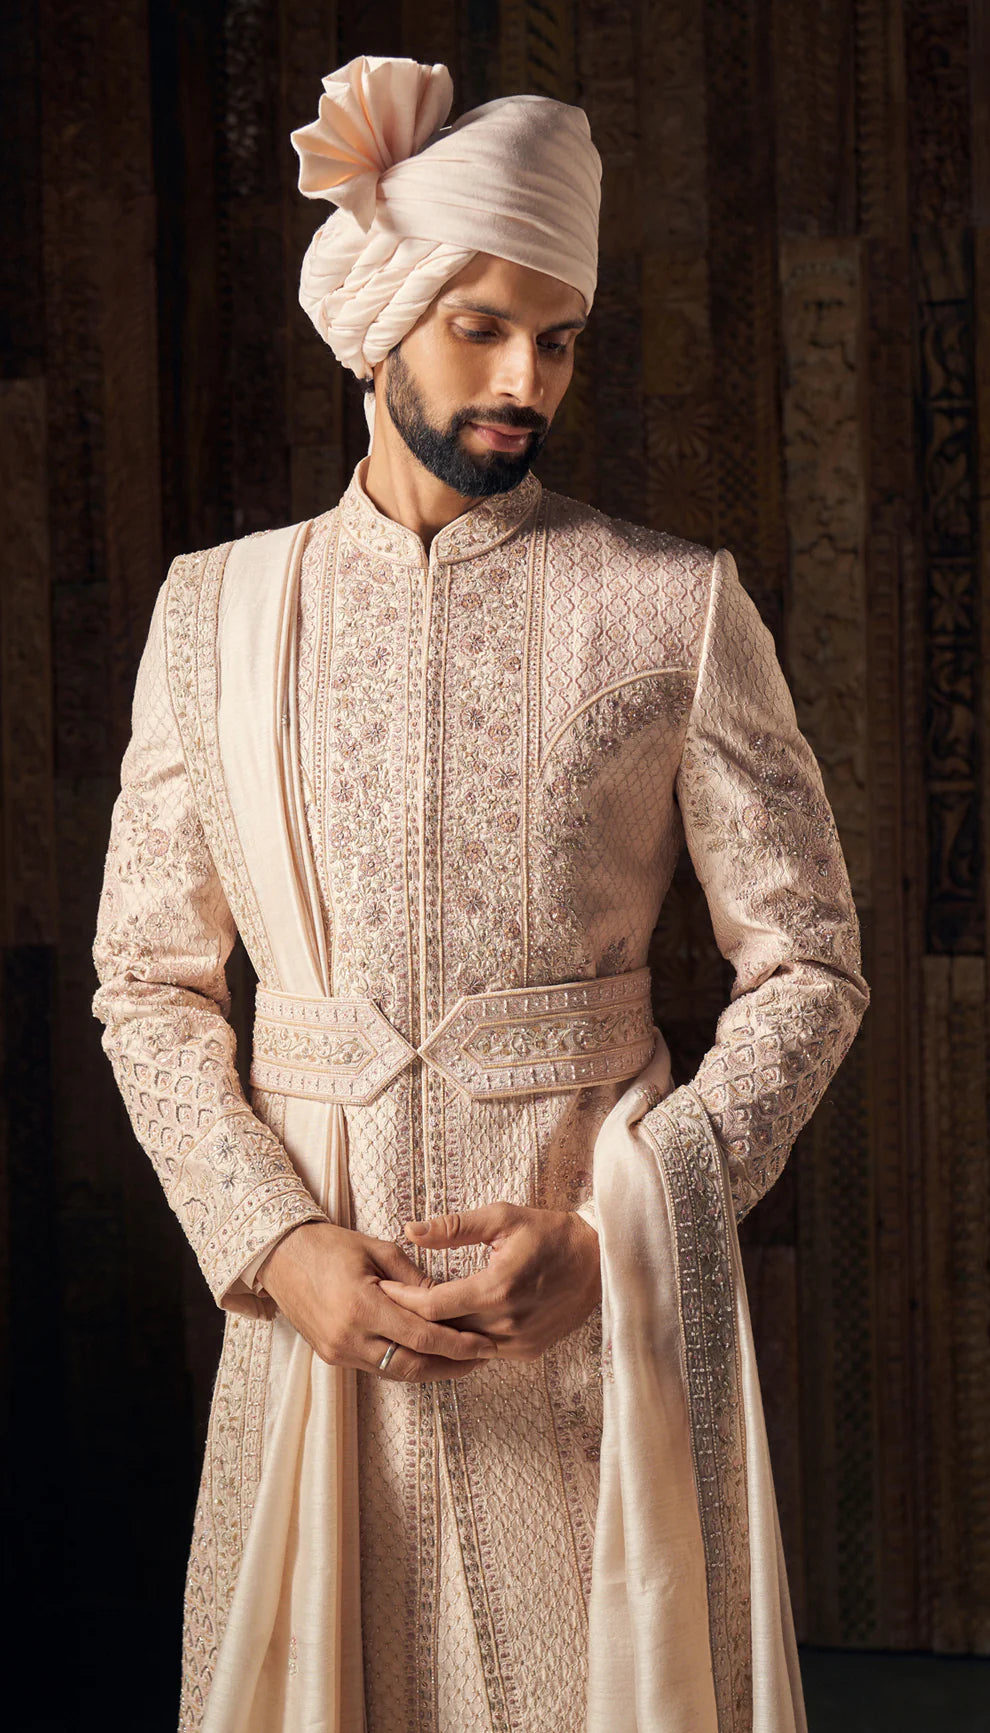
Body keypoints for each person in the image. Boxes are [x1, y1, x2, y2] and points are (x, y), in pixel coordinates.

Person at [92, 53, 869, 1733]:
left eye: (561, 336)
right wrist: (273, 1242)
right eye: (483, 326)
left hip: (589, 1331)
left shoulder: (672, 605)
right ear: (383, 318)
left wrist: (615, 1241)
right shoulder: (211, 614)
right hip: (319, 1318)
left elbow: (806, 959)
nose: (527, 375)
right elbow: (148, 976)